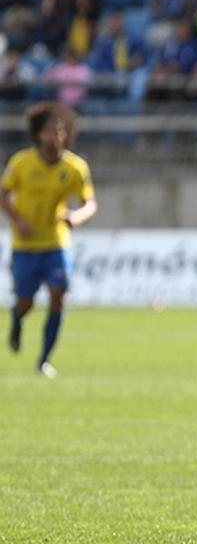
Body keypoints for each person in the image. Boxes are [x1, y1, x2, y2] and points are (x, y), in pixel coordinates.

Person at [2, 103, 98, 378]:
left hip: (56, 241)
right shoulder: (21, 162)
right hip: (25, 244)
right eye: (49, 131)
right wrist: (17, 220)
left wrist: (78, 217)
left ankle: (44, 359)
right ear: (38, 134)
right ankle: (17, 319)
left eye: (60, 131)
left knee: (59, 292)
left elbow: (90, 202)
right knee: (26, 301)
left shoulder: (75, 167)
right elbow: (2, 195)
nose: (55, 136)